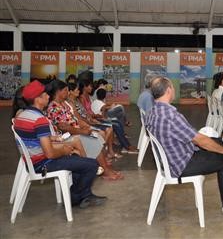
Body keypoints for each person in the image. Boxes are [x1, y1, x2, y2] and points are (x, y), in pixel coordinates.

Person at [145, 76, 223, 214]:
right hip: (181, 164)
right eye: (173, 87)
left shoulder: (152, 112)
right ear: (169, 90)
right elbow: (198, 140)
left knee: (213, 139)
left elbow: (189, 136)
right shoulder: (170, 115)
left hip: (171, 160)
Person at [13, 80, 106, 208]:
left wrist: (53, 138)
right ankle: (77, 196)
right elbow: (50, 154)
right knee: (92, 165)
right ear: (37, 99)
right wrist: (66, 150)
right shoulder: (39, 120)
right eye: (45, 94)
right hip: (43, 164)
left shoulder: (22, 116)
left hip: (33, 160)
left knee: (79, 159)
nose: (48, 96)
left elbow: (34, 138)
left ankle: (81, 196)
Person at [46, 80, 123, 180]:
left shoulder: (63, 104)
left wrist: (86, 127)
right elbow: (64, 128)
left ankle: (104, 167)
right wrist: (82, 131)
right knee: (93, 140)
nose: (67, 92)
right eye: (65, 90)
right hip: (66, 136)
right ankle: (105, 171)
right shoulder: (54, 107)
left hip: (75, 131)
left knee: (95, 136)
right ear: (58, 92)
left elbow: (75, 119)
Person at [92, 89, 138, 154]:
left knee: (118, 122)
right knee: (116, 125)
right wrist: (108, 116)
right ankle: (127, 146)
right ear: (105, 96)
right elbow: (103, 116)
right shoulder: (103, 105)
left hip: (97, 119)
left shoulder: (95, 101)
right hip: (99, 121)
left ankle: (126, 144)